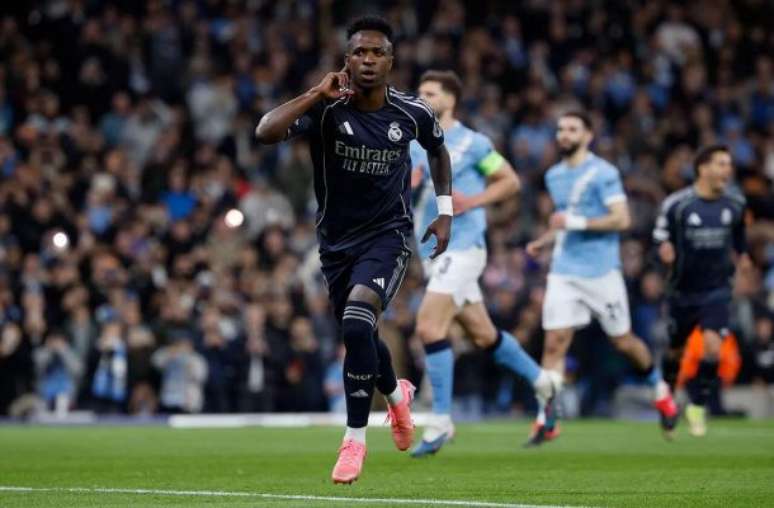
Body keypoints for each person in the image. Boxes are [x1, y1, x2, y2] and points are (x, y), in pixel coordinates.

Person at [255, 16, 453, 483]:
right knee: (361, 331)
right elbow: (265, 132)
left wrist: (445, 211)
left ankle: (354, 441)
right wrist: (314, 93)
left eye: (377, 53)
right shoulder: (327, 109)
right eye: (359, 53)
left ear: (391, 61)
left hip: (388, 236)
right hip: (336, 244)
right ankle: (397, 396)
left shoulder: (412, 112)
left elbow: (438, 150)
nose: (368, 61)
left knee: (357, 321)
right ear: (346, 60)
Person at [408, 70, 561, 457]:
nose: (422, 98)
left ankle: (440, 421)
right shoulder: (413, 141)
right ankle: (543, 383)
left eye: (431, 93)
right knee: (483, 334)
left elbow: (510, 181)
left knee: (428, 326)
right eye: (420, 92)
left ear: (451, 99)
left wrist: (472, 202)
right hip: (431, 253)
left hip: (464, 247)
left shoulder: (474, 143)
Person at [526, 111, 678, 445]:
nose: (564, 134)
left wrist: (574, 224)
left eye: (572, 129)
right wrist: (545, 240)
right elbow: (565, 222)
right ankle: (547, 418)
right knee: (555, 342)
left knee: (623, 342)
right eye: (561, 129)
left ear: (588, 136)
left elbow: (622, 219)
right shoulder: (554, 175)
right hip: (564, 270)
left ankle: (660, 390)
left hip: (601, 272)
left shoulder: (604, 173)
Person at [653, 144, 749, 436]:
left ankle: (698, 405)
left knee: (713, 347)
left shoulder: (735, 204)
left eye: (728, 164)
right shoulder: (677, 205)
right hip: (682, 291)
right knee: (675, 351)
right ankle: (668, 399)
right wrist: (664, 250)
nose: (727, 170)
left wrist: (743, 262)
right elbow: (659, 238)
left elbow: (740, 242)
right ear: (702, 168)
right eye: (721, 164)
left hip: (717, 290)